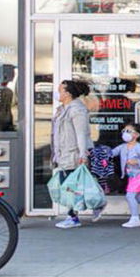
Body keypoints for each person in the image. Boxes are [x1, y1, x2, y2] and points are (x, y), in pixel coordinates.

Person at [51, 78, 100, 228]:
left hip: (73, 153)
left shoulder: (77, 110)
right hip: (64, 153)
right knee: (70, 186)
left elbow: (81, 134)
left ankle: (74, 217)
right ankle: (94, 205)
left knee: (70, 187)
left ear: (68, 93)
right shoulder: (63, 109)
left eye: (60, 90)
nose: (57, 93)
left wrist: (82, 155)